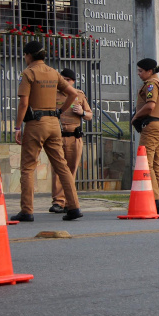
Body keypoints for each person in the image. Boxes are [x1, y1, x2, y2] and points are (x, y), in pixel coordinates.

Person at [12, 40, 82, 222]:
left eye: (25, 55)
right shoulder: (53, 73)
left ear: (28, 55)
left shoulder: (28, 73)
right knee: (62, 166)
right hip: (53, 124)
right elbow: (73, 94)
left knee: (27, 167)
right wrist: (60, 111)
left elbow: (24, 103)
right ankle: (74, 207)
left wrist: (17, 126)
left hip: (36, 123)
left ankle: (27, 210)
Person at [48, 68, 92, 214]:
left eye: (68, 80)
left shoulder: (79, 95)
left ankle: (68, 201)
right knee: (57, 169)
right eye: (63, 79)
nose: (65, 82)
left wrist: (82, 112)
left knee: (71, 169)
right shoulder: (53, 95)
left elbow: (90, 115)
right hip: (58, 136)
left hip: (74, 137)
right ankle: (58, 201)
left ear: (73, 81)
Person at [131, 58, 159, 211]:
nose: (139, 74)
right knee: (154, 165)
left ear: (149, 71)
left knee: (145, 164)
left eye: (141, 71)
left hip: (151, 126)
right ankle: (158, 198)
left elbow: (150, 105)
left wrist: (135, 117)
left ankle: (155, 199)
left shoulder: (151, 84)